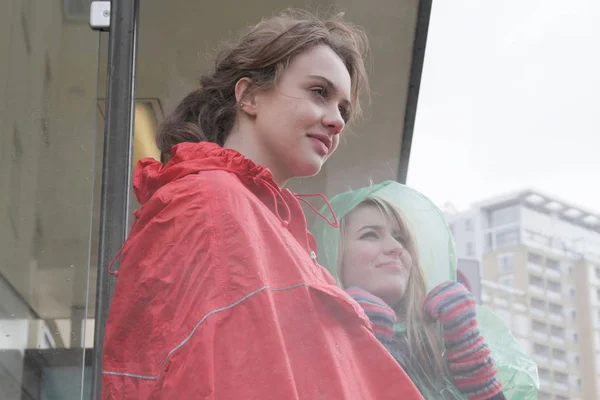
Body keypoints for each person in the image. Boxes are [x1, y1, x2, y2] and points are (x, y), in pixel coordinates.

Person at [101, 10, 424, 400]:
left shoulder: (267, 226)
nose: (337, 121)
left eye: (343, 108)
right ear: (249, 95)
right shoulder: (211, 201)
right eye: (319, 92)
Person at [311, 180, 540, 400]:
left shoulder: (442, 341)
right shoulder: (308, 338)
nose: (396, 248)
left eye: (400, 238)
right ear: (332, 252)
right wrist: (365, 346)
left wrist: (476, 370)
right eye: (370, 235)